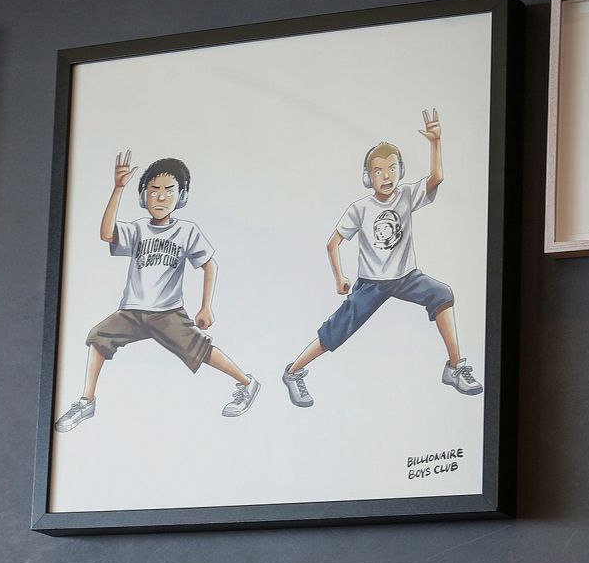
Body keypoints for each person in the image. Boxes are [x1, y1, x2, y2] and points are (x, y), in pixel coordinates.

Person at [281, 109, 482, 408]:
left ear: (401, 170)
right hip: (372, 283)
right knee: (338, 328)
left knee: (442, 294)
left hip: (406, 277)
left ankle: (454, 367)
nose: (386, 176)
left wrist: (435, 142)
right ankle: (293, 372)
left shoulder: (406, 195)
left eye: (391, 168)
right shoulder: (360, 208)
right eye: (378, 171)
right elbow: (333, 243)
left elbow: (437, 177)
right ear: (367, 178)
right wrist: (339, 277)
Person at [55, 151, 259, 432]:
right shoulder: (139, 229)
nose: (160, 197)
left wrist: (206, 306)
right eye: (153, 191)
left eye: (168, 191)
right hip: (132, 311)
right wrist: (118, 188)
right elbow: (106, 234)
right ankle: (86, 401)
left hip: (167, 313)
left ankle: (247, 383)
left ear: (181, 197)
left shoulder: (187, 231)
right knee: (98, 337)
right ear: (143, 197)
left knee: (200, 349)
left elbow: (210, 265)